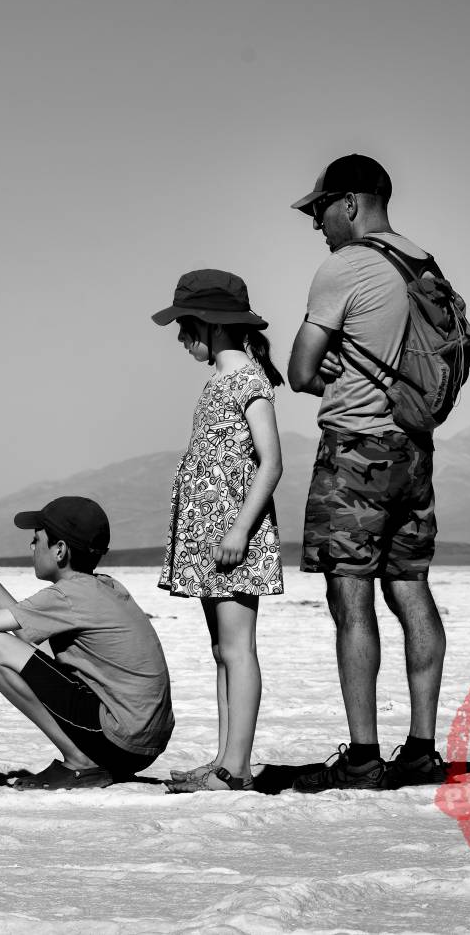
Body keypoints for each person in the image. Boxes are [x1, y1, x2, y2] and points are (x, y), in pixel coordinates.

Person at [285, 154, 451, 791]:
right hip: (414, 448)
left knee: (350, 598)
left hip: (357, 449)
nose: (318, 225)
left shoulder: (346, 266)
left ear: (350, 203)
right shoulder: (423, 264)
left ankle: (362, 756)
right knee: (410, 586)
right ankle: (423, 750)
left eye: (321, 210)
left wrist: (325, 363)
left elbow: (301, 371)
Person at [0, 496, 174, 789]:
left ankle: (80, 762)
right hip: (143, 746)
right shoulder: (104, 586)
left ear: (59, 550)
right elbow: (26, 635)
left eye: (36, 540)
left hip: (118, 739)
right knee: (21, 650)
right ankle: (88, 759)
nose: (31, 548)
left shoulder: (68, 596)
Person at [149, 270, 284, 792]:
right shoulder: (219, 382)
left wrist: (239, 531)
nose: (182, 338)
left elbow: (271, 463)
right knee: (222, 651)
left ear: (212, 324)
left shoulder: (249, 381)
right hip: (211, 538)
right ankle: (225, 760)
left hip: (233, 539)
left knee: (238, 648)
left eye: (186, 326)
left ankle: (236, 768)